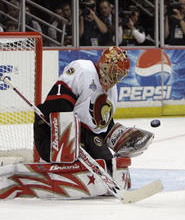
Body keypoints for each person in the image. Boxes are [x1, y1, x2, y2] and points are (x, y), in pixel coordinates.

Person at [33, 46, 154, 176]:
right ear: (104, 65)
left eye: (119, 75)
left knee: (108, 164)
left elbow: (101, 127)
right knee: (94, 159)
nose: (114, 79)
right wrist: (73, 138)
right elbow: (56, 104)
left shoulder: (112, 92)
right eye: (113, 72)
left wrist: (117, 136)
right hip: (50, 133)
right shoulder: (84, 70)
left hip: (83, 135)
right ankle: (62, 168)